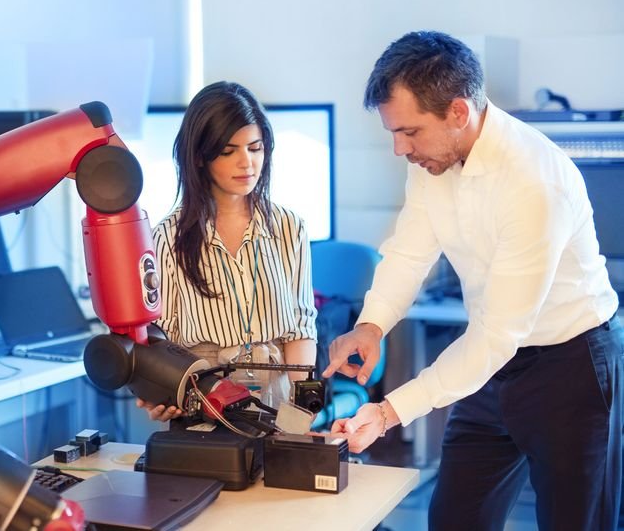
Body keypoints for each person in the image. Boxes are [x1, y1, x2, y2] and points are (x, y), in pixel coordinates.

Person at [324, 31, 623, 531]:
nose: (400, 149)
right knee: (456, 519)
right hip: (490, 367)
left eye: (410, 132)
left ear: (458, 113)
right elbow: (409, 250)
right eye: (393, 133)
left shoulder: (533, 181)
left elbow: (496, 336)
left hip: (571, 368)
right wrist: (372, 326)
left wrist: (389, 411)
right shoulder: (433, 159)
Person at [136, 81, 318, 422]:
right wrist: (160, 394)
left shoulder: (290, 227)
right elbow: (160, 344)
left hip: (277, 401)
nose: (246, 163)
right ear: (200, 157)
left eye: (255, 148)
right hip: (203, 399)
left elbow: (300, 330)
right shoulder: (168, 237)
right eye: (228, 151)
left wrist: (305, 411)